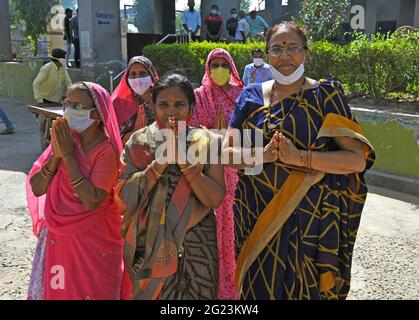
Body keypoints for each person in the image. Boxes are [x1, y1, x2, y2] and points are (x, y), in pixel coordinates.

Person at [223, 23, 375, 300]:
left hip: (310, 223)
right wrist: (266, 155)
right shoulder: (250, 97)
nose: (285, 55)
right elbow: (226, 153)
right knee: (258, 290)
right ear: (267, 54)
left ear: (305, 52)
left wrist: (301, 158)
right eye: (277, 49)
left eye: (293, 47)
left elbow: (356, 160)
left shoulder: (326, 96)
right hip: (255, 216)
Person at [116, 74, 226, 300]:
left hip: (197, 242)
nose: (171, 111)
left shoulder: (207, 141)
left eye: (179, 104)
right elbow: (123, 198)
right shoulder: (138, 142)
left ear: (191, 106)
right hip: (149, 244)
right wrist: (158, 165)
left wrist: (185, 162)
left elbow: (215, 198)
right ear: (153, 106)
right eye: (163, 104)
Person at [26, 82, 128, 300]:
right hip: (59, 238)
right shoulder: (64, 140)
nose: (71, 111)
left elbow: (92, 200)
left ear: (98, 114)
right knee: (61, 289)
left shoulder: (106, 151)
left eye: (79, 106)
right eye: (68, 104)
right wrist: (57, 155)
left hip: (94, 239)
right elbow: (37, 188)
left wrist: (69, 156)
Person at [190, 48, 243, 300]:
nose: (218, 69)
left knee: (234, 230)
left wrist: (230, 136)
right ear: (207, 68)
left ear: (231, 67)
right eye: (214, 65)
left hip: (238, 175)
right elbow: (189, 133)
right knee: (209, 228)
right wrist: (212, 133)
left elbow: (251, 131)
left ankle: (235, 286)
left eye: (223, 64)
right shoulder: (199, 96)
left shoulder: (240, 96)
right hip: (208, 174)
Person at [111, 56, 160, 144]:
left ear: (152, 75)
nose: (137, 78)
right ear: (127, 77)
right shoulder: (118, 103)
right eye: (133, 74)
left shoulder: (161, 101)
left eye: (143, 73)